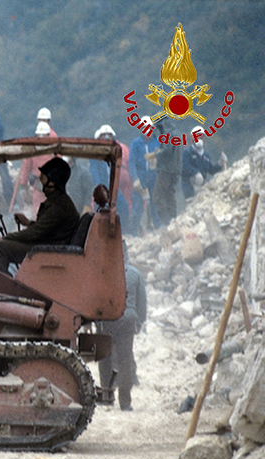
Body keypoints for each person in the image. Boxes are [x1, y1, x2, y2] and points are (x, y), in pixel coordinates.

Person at [0, 157, 79, 272]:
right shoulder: (57, 201)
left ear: (52, 182)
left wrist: (4, 238)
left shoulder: (59, 206)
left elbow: (35, 233)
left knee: (1, 248)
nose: (39, 181)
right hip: (48, 245)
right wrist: (28, 222)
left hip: (48, 251)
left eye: (43, 178)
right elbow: (46, 229)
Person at [98, 242, 147, 411]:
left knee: (105, 358)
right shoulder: (135, 274)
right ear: (126, 253)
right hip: (127, 320)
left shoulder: (102, 273)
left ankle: (106, 397)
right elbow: (142, 302)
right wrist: (140, 321)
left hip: (107, 319)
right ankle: (125, 403)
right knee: (125, 360)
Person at [89, 124, 134, 232]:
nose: (106, 138)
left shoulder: (114, 152)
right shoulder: (95, 154)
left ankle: (122, 230)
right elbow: (94, 172)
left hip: (113, 187)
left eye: (108, 135)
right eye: (104, 135)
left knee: (123, 205)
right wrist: (99, 189)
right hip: (102, 188)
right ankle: (100, 233)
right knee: (101, 212)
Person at [146, 118, 182, 227]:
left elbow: (167, 150)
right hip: (175, 171)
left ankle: (166, 223)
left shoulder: (168, 134)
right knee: (169, 196)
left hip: (165, 170)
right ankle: (173, 222)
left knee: (158, 197)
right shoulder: (177, 133)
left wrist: (154, 155)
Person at [129, 117, 160, 231]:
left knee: (155, 205)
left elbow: (162, 160)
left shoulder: (157, 143)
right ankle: (133, 232)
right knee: (137, 206)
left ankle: (159, 230)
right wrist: (135, 179)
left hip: (153, 178)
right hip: (141, 178)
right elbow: (132, 162)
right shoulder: (136, 144)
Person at [181, 125, 227, 199]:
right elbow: (185, 167)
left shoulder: (205, 156)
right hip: (190, 189)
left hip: (202, 188)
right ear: (191, 139)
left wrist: (220, 163)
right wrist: (196, 173)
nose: (199, 139)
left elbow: (211, 170)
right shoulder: (187, 153)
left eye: (201, 137)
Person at [17, 121, 54, 214]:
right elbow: (26, 168)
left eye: (43, 135)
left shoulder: (54, 149)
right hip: (39, 185)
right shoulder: (33, 151)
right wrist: (23, 184)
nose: (41, 138)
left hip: (53, 185)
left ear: (48, 135)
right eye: (39, 135)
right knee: (38, 210)